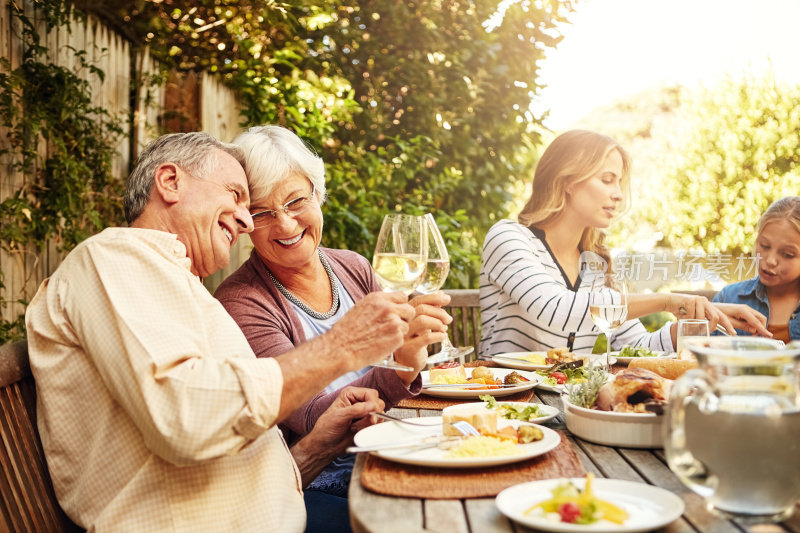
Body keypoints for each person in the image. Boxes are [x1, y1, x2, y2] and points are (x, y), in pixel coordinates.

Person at [24, 132, 417, 532]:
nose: (247, 221)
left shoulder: (177, 285)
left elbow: (223, 455)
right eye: (237, 195)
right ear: (170, 181)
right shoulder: (114, 257)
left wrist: (318, 446)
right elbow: (186, 419)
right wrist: (341, 346)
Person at [213, 125, 450, 532]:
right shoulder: (243, 300)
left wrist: (411, 352)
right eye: (263, 213)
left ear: (317, 196)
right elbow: (304, 413)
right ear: (245, 223)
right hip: (317, 486)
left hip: (385, 456)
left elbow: (396, 358)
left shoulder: (353, 267)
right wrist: (403, 364)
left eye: (295, 201)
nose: (285, 224)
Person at [478, 129, 770, 357]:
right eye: (607, 179)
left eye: (618, 182)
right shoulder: (509, 238)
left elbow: (637, 346)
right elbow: (556, 308)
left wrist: (698, 324)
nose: (618, 194)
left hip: (567, 408)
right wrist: (668, 300)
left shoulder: (596, 264)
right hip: (505, 408)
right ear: (566, 180)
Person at [713, 196, 800, 342]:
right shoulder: (729, 298)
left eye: (787, 254)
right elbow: (692, 354)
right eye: (764, 246)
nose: (770, 261)